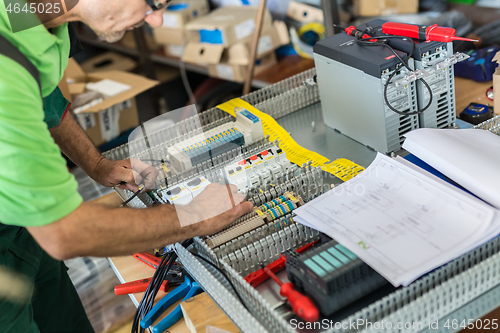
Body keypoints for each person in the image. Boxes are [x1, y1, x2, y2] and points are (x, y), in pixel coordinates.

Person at [0, 1, 254, 332]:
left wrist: (97, 164)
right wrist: (193, 215)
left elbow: (43, 96)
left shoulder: (26, 14)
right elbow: (64, 232)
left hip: (24, 229)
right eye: (152, 3)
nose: (157, 19)